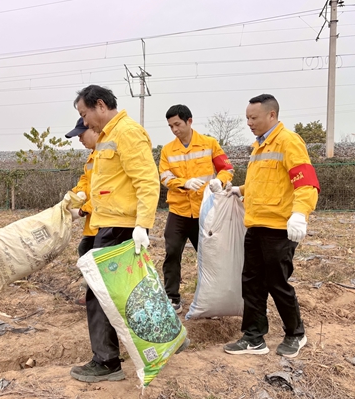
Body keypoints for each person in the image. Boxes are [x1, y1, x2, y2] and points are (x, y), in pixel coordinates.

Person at [69, 84, 162, 382]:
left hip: (120, 225)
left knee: (100, 293)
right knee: (131, 289)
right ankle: (164, 336)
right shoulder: (109, 136)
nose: (84, 122)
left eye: (84, 114)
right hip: (108, 223)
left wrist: (142, 225)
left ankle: (107, 362)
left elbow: (147, 181)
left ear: (99, 105)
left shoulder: (127, 132)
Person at [224, 94, 319, 358]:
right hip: (255, 224)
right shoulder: (259, 146)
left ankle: (295, 334)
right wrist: (238, 189)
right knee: (252, 282)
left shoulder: (289, 142)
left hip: (279, 227)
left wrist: (300, 214)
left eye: (253, 118)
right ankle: (254, 337)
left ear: (272, 116)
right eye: (247, 118)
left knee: (277, 282)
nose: (249, 123)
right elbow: (263, 183)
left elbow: (306, 182)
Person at [159, 104, 234, 313]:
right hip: (179, 210)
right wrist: (183, 182)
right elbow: (164, 176)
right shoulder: (167, 150)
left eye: (177, 124)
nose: (174, 130)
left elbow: (226, 168)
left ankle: (212, 298)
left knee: (209, 254)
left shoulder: (209, 144)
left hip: (205, 210)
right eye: (170, 126)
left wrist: (220, 181)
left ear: (189, 121)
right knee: (172, 251)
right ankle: (172, 297)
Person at [65, 117, 99, 306]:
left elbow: (107, 191)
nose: (79, 139)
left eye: (81, 134)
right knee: (85, 251)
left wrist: (82, 211)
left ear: (94, 129)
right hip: (94, 220)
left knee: (91, 254)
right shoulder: (92, 156)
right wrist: (77, 193)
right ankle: (92, 294)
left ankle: (96, 296)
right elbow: (86, 181)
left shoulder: (105, 154)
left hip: (105, 219)